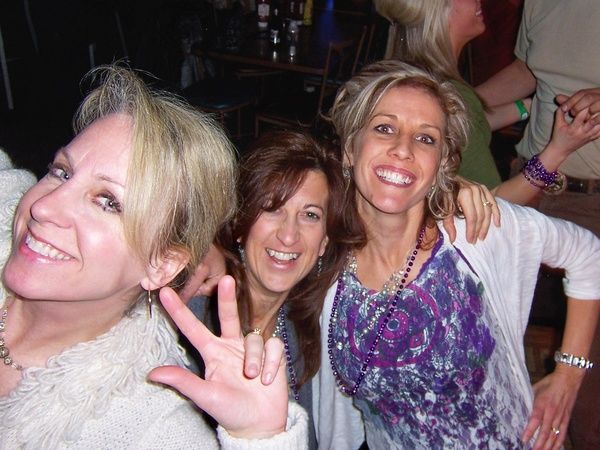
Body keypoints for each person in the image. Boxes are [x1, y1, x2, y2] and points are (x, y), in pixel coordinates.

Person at [0, 66, 307, 448]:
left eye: (107, 202)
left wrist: (259, 438)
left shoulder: (151, 425)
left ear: (162, 264)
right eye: (62, 172)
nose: (44, 207)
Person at [312, 61, 600, 449]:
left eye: (425, 138)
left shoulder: (473, 234)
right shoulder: (323, 265)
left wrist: (569, 375)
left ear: (442, 164)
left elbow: (588, 254)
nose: (402, 149)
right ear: (350, 148)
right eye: (384, 128)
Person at [187, 130, 499, 449]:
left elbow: (387, 221)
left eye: (310, 215)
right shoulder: (193, 317)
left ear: (324, 241)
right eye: (272, 208)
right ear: (241, 224)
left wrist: (448, 188)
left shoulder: (312, 324)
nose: (288, 235)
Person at [474, 2, 600, 446]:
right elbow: (531, 69)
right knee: (482, 340)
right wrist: (457, 101)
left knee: (587, 384)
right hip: (531, 181)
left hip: (593, 200)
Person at [374, 0, 600, 206]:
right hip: (524, 187)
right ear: (437, 9)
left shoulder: (410, 81)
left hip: (583, 197)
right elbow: (492, 205)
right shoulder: (440, 92)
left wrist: (525, 108)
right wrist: (557, 151)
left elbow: (465, 122)